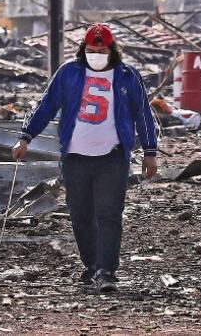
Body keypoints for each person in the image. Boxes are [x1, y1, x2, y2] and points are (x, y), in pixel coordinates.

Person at [12, 23, 158, 292]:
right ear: (83, 50)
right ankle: (91, 264)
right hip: (75, 157)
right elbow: (46, 105)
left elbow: (143, 114)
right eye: (92, 50)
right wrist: (25, 137)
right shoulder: (69, 73)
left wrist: (150, 151)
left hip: (113, 157)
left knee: (109, 214)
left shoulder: (127, 76)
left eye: (102, 50)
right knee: (80, 215)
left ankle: (106, 271)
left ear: (112, 50)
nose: (97, 54)